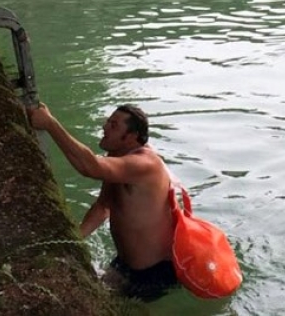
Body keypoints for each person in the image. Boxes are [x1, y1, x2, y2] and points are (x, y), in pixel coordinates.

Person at [27, 102, 178, 301]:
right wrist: (75, 240)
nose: (104, 127)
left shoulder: (144, 164)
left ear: (131, 137)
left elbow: (91, 167)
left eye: (114, 125)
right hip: (124, 265)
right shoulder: (118, 156)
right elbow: (103, 206)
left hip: (154, 274)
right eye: (108, 122)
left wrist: (50, 124)